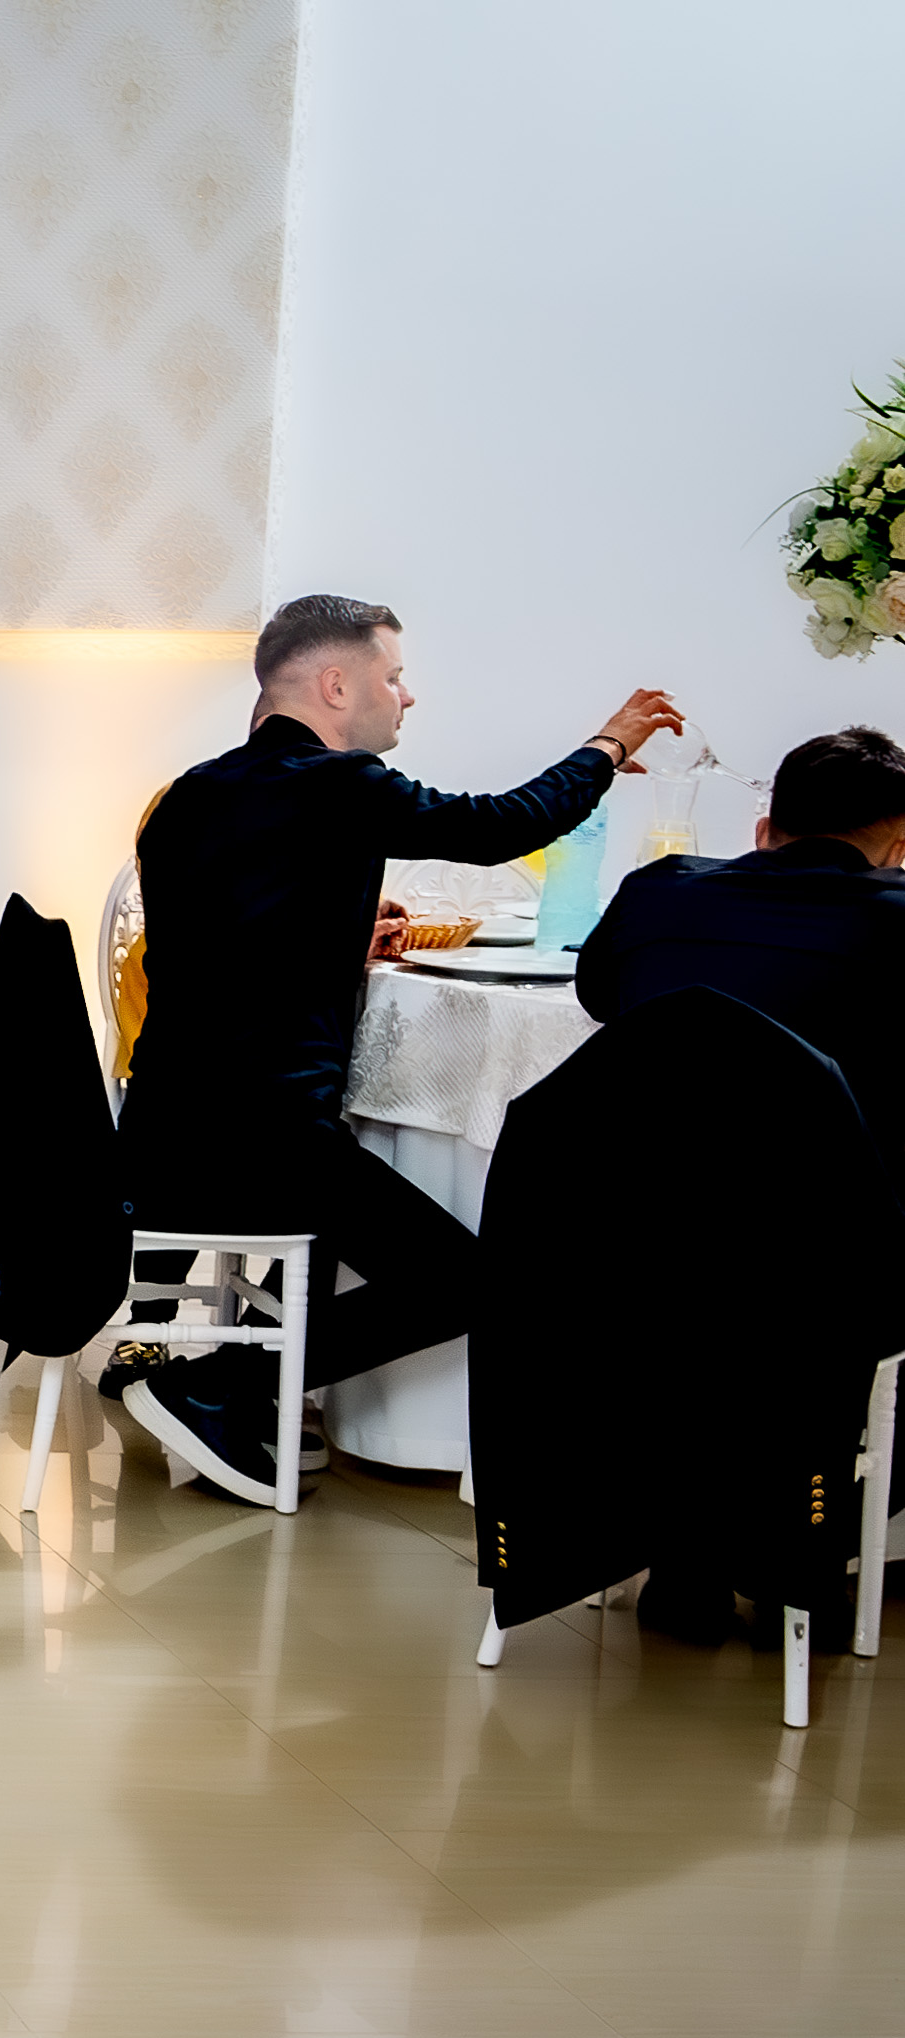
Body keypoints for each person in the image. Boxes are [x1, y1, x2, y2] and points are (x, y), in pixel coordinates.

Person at [110, 594, 682, 1503]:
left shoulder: (189, 794)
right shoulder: (339, 786)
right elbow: (498, 826)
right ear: (336, 685)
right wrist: (606, 745)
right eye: (394, 676)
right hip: (262, 1143)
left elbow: (223, 936)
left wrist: (337, 931)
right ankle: (218, 1384)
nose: (405, 696)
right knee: (464, 1279)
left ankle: (236, 1386)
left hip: (159, 1130)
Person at [576, 724, 905, 1132]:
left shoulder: (652, 889)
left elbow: (600, 1001)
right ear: (898, 852)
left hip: (643, 1153)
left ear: (762, 832)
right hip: (837, 1163)